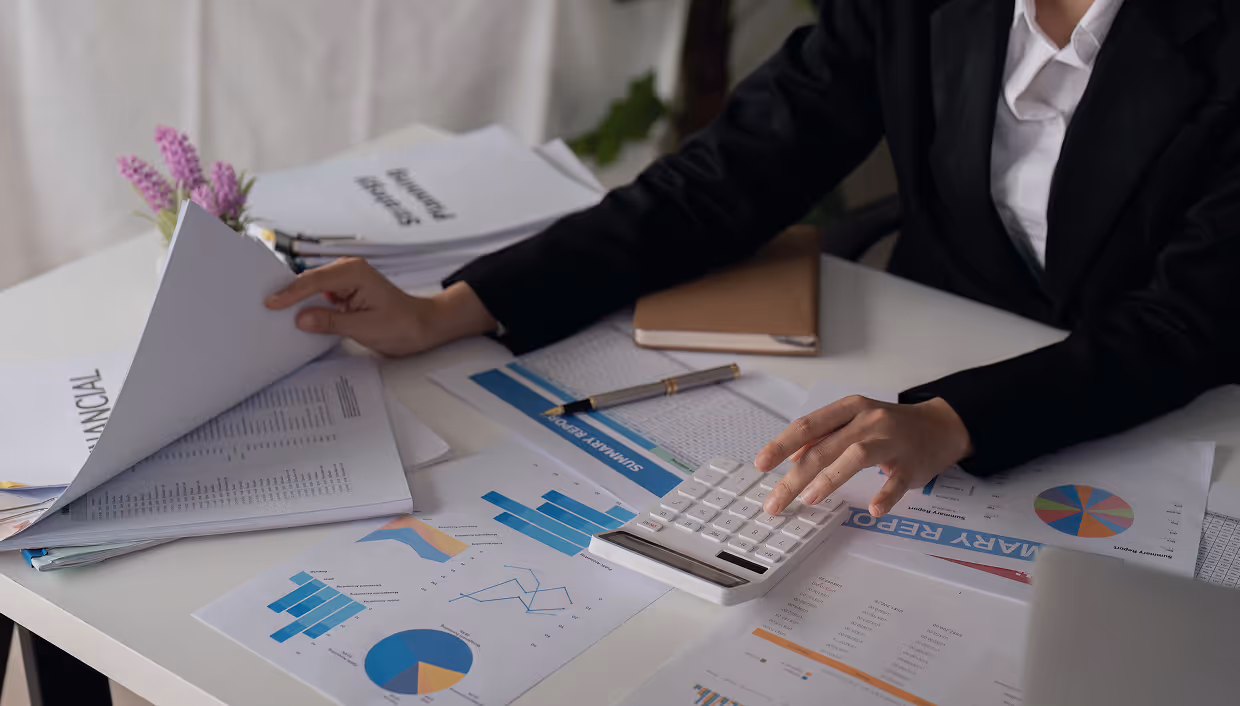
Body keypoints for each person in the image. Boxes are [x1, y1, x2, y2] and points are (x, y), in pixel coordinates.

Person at [266, 0, 1240, 520]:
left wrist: (955, 418)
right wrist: (454, 308)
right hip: (925, 351)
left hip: (1161, 422)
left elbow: (1187, 321)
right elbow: (733, 172)